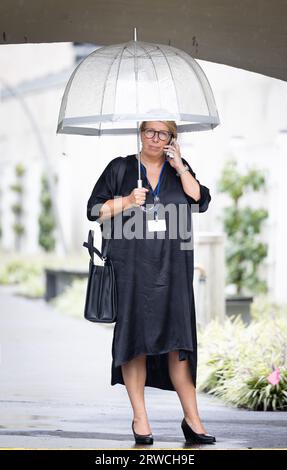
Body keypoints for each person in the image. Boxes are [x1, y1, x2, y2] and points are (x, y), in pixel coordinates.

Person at [87, 120, 215, 445]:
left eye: (163, 133)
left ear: (173, 138)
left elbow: (199, 199)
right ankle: (140, 418)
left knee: (179, 343)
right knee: (135, 341)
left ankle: (193, 419)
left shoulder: (178, 170)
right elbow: (95, 210)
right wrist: (128, 200)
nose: (155, 139)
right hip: (133, 271)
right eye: (149, 132)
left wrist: (180, 165)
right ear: (140, 133)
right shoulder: (120, 168)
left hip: (173, 271)